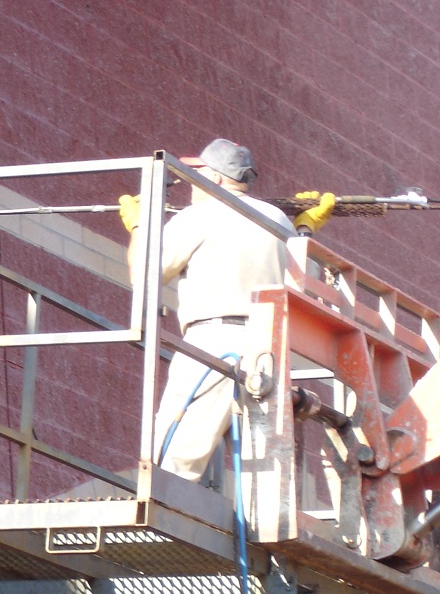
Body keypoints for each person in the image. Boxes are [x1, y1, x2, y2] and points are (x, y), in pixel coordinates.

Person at [117, 138, 334, 481]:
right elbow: (305, 282)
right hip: (268, 349)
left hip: (214, 341)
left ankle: (160, 513)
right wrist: (302, 229)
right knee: (262, 465)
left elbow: (143, 275)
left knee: (174, 457)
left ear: (216, 179)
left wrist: (140, 225)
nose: (191, 185)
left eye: (196, 175)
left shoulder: (199, 216)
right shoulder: (277, 218)